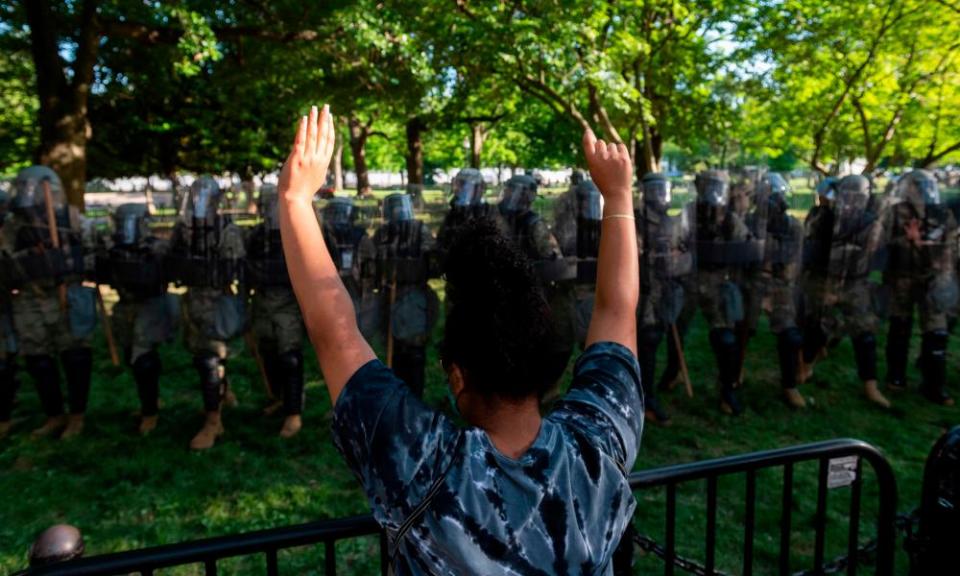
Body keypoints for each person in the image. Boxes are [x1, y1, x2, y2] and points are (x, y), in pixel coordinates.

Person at [278, 105, 642, 574]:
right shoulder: (597, 448)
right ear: (549, 364)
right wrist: (618, 196)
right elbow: (617, 311)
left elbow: (335, 331)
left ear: (456, 374)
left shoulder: (423, 467)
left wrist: (293, 200)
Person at [4, 166, 95, 439]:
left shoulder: (74, 220)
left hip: (66, 295)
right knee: (38, 359)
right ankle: (54, 415)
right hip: (30, 299)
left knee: (75, 356)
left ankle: (77, 416)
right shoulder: (12, 227)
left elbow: (94, 255)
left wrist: (71, 261)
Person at [168, 176, 247, 450]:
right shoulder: (184, 230)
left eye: (206, 197)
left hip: (217, 304)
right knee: (202, 357)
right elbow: (173, 260)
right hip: (193, 302)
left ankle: (213, 422)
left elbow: (235, 268)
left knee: (209, 360)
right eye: (196, 196)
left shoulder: (226, 230)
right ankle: (221, 395)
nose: (200, 202)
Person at [801, 175, 890, 407]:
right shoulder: (823, 217)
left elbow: (875, 251)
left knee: (865, 335)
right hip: (824, 281)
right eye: (847, 195)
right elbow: (809, 245)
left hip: (855, 284)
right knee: (818, 329)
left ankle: (870, 387)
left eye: (857, 196)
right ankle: (805, 368)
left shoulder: (871, 222)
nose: (851, 201)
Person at [96, 203, 174, 435]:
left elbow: (165, 272)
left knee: (143, 360)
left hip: (151, 307)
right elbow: (101, 272)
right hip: (125, 308)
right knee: (133, 356)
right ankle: (151, 401)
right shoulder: (113, 249)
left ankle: (150, 413)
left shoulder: (156, 248)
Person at [883, 170, 957, 405]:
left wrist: (922, 243)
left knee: (936, 332)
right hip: (901, 279)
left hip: (934, 280)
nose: (919, 191)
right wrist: (906, 241)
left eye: (922, 185)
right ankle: (896, 377)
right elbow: (881, 243)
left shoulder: (943, 213)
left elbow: (949, 246)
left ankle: (933, 385)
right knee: (899, 327)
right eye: (915, 186)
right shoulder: (895, 212)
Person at [499, 174, 577, 384]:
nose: (510, 195)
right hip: (510, 294)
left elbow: (552, 258)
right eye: (510, 190)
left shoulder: (531, 223)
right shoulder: (500, 220)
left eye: (514, 191)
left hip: (524, 293)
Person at [740, 173, 806, 407]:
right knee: (742, 330)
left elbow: (791, 264)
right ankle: (734, 374)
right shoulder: (747, 223)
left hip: (780, 287)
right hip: (753, 283)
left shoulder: (793, 227)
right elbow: (743, 258)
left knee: (790, 336)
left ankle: (790, 385)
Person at [693, 170, 755, 414]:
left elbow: (747, 243)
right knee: (660, 332)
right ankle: (670, 376)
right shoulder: (690, 213)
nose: (712, 192)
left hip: (718, 285)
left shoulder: (729, 219)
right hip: (689, 283)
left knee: (726, 339)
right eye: (709, 186)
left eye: (717, 186)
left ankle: (727, 390)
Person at [246, 185, 306, 437]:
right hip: (262, 301)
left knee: (289, 356)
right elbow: (245, 264)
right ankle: (280, 398)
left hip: (288, 302)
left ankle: (294, 413)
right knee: (269, 353)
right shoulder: (257, 235)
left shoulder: (298, 232)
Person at [636, 172, 691, 424]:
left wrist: (677, 258)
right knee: (647, 340)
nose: (661, 196)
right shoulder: (636, 221)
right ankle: (646, 398)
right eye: (655, 190)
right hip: (642, 292)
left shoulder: (673, 222)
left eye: (663, 190)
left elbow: (685, 251)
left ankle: (667, 377)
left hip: (668, 289)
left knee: (660, 336)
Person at [369, 193, 438, 397]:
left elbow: (432, 260)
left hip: (414, 294)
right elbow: (373, 263)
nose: (398, 211)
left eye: (401, 207)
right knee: (394, 348)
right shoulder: (382, 233)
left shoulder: (420, 230)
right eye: (394, 207)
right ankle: (398, 397)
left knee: (414, 349)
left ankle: (415, 399)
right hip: (389, 295)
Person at [435, 168, 498, 256]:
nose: (462, 189)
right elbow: (442, 240)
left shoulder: (487, 212)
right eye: (460, 184)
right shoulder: (454, 210)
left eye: (466, 185)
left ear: (480, 188)